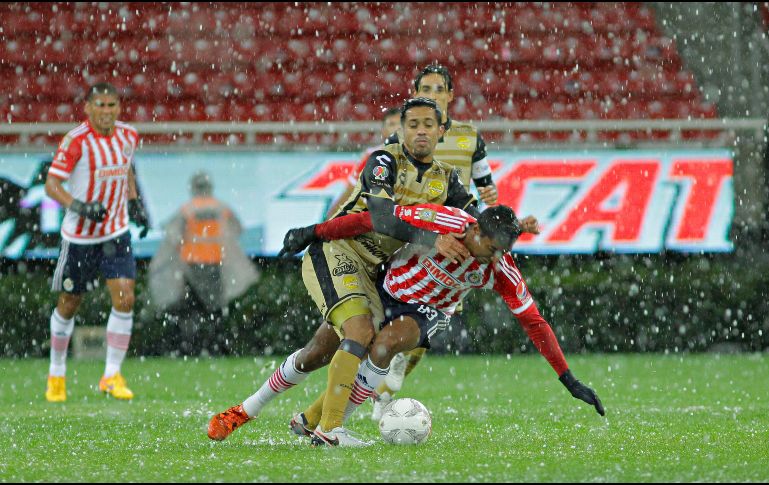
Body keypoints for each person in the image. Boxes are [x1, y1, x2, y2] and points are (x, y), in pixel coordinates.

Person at [208, 97, 478, 446]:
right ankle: (330, 430)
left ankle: (255, 412)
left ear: (442, 131)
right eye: (412, 124)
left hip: (376, 272)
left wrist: (506, 229)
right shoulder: (383, 161)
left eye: (429, 124)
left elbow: (475, 224)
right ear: (401, 129)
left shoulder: (447, 180)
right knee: (360, 332)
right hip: (339, 251)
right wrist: (434, 238)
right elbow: (381, 217)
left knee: (320, 352)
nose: (420, 131)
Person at [297, 204, 605, 428]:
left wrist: (568, 379)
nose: (496, 257)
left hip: (427, 310)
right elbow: (374, 219)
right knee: (316, 352)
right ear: (474, 230)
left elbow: (535, 323)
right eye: (493, 248)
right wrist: (314, 231)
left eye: (503, 251)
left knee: (382, 346)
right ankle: (296, 416)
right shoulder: (446, 220)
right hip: (385, 286)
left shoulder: (500, 270)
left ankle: (333, 428)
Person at [374, 64, 503, 418]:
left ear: (450, 96)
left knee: (433, 317)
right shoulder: (400, 139)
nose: (431, 95)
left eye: (437, 89)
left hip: (455, 239)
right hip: (411, 235)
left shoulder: (470, 137)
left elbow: (486, 189)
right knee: (398, 312)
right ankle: (375, 376)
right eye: (424, 89)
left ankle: (388, 377)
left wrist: (499, 220)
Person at [44, 82, 150, 402]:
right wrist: (80, 207)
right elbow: (52, 184)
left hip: (116, 233)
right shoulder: (76, 141)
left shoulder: (128, 135)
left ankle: (111, 375)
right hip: (79, 238)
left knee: (125, 298)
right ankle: (57, 373)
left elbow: (127, 171)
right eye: (100, 105)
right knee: (69, 304)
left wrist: (136, 206)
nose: (106, 111)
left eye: (112, 105)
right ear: (88, 108)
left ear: (119, 108)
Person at [148, 171, 258, 355]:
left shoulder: (187, 209)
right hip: (214, 263)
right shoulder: (222, 208)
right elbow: (237, 228)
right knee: (215, 309)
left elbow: (173, 235)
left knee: (191, 309)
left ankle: (189, 347)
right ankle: (216, 346)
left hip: (192, 265)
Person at [326, 107, 402, 218]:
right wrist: (329, 220)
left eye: (401, 124)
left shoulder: (422, 155)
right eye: (392, 124)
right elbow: (350, 192)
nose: (397, 128)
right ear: (383, 131)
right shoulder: (372, 156)